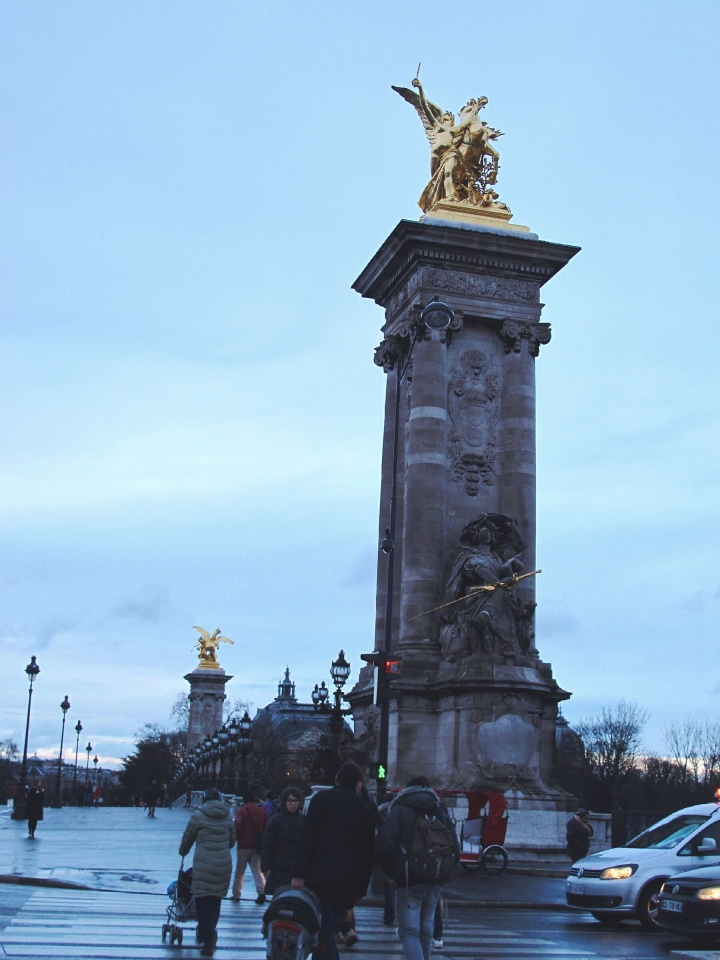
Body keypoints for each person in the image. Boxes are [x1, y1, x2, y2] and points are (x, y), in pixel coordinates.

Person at [292, 762, 375, 960]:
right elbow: (369, 854)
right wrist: (361, 890)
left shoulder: (322, 799)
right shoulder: (364, 810)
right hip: (348, 883)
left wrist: (298, 874)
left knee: (325, 930)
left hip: (320, 878)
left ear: (336, 779)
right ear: (358, 784)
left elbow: (308, 839)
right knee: (328, 928)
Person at [376, 776, 459, 960]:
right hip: (435, 879)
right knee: (425, 929)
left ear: (408, 790)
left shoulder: (399, 810)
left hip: (408, 879)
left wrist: (394, 871)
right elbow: (455, 848)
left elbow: (385, 844)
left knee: (409, 932)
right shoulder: (441, 812)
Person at [179, 786, 235, 957]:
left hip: (203, 864)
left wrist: (183, 852)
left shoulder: (198, 816)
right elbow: (232, 842)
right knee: (215, 900)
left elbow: (187, 839)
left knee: (202, 900)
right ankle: (210, 932)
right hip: (223, 864)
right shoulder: (228, 818)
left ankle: (207, 938)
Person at [261, 787, 305, 895]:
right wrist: (266, 867)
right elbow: (267, 845)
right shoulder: (275, 821)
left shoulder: (304, 821)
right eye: (290, 801)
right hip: (278, 869)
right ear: (284, 802)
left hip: (297, 869)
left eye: (295, 801)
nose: (293, 804)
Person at [232, 794, 268, 903]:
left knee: (240, 871)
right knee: (257, 870)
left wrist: (235, 839)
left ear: (244, 801)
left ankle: (236, 894)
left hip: (243, 845)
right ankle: (262, 892)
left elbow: (237, 826)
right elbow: (266, 826)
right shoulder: (261, 811)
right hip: (257, 845)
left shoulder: (241, 812)